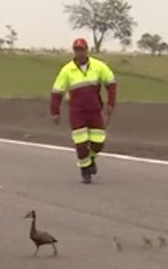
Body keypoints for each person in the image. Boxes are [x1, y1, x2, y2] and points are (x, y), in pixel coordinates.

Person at [49, 37, 117, 184]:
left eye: (81, 50)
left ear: (87, 50)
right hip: (77, 112)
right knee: (81, 144)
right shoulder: (67, 70)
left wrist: (111, 103)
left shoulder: (98, 66)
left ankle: (90, 159)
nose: (79, 53)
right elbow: (57, 92)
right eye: (76, 50)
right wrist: (55, 112)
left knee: (98, 142)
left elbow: (111, 83)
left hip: (94, 110)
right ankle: (85, 170)